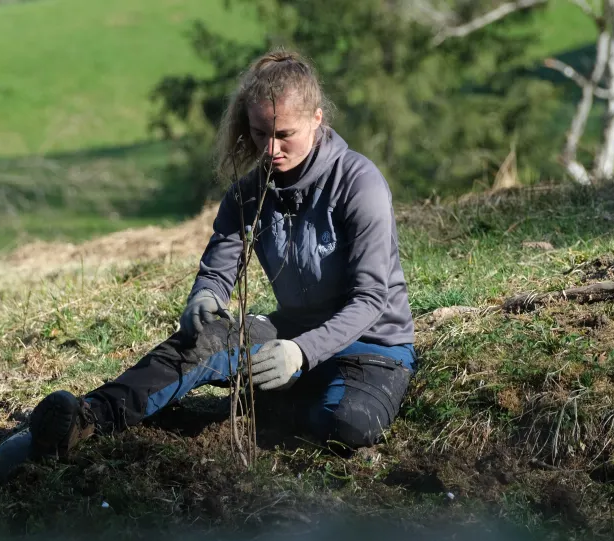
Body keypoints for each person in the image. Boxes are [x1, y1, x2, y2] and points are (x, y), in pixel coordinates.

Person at [21, 49, 416, 461]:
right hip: (291, 333)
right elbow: (218, 268)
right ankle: (86, 419)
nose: (270, 150)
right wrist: (205, 296)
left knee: (346, 426)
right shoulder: (248, 193)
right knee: (201, 343)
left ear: (317, 118)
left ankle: (291, 397)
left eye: (284, 135)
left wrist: (303, 352)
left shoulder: (359, 184)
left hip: (373, 346)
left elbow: (372, 299)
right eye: (261, 134)